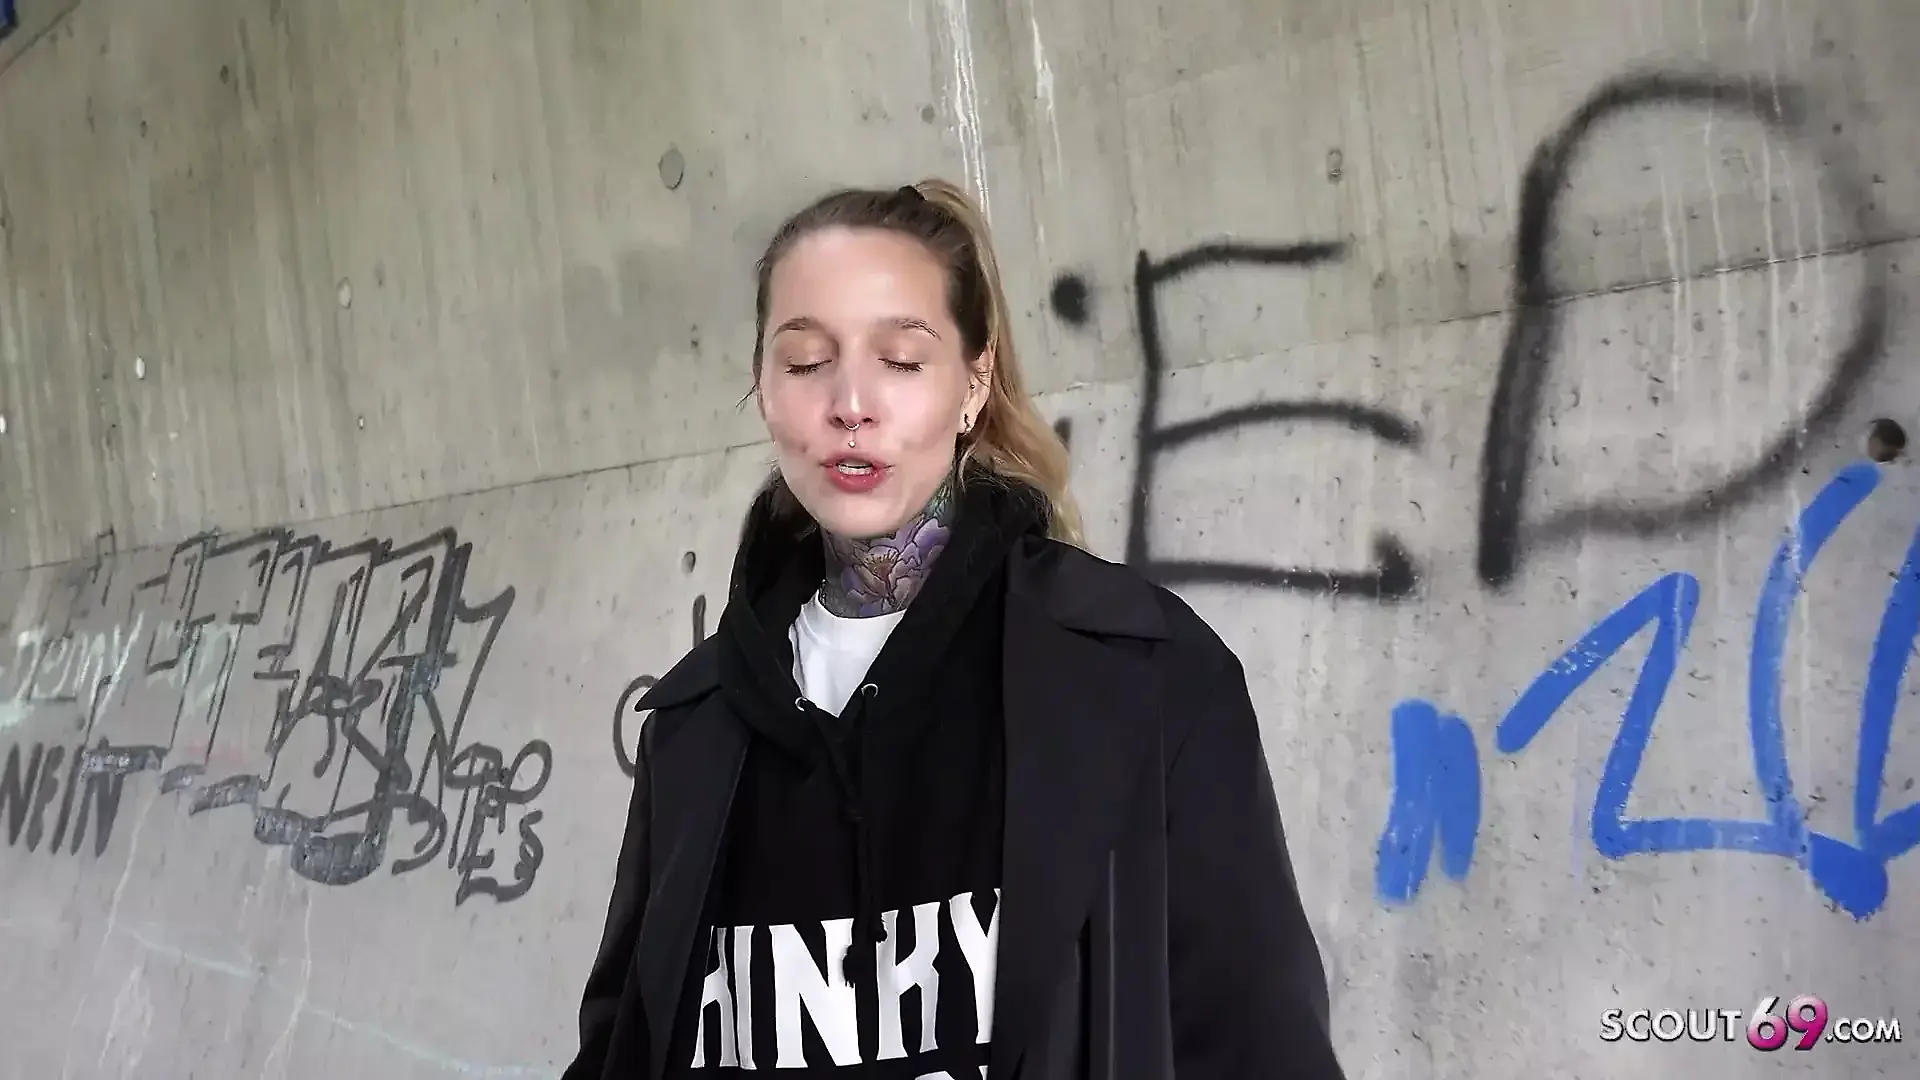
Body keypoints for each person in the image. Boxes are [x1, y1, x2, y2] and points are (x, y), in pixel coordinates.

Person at [563, 179, 1346, 1080]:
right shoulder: (695, 729)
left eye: (901, 359)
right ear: (764, 390)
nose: (850, 402)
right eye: (806, 361)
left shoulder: (1139, 674)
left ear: (974, 385)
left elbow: (1256, 1043)